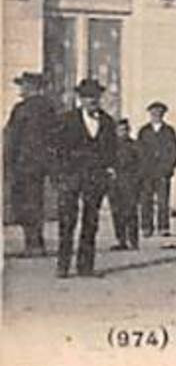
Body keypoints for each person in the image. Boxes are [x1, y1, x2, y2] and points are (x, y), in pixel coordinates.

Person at [51, 78, 117, 278]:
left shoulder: (107, 121)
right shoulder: (67, 119)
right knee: (67, 221)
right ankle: (62, 266)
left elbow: (112, 150)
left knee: (91, 222)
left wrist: (109, 169)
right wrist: (60, 175)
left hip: (95, 179)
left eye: (95, 97)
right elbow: (55, 149)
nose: (92, 101)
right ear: (80, 98)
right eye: (88, 97)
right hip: (71, 177)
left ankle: (85, 266)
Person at [4, 71, 56, 257]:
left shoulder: (22, 109)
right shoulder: (49, 107)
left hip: (24, 164)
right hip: (41, 164)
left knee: (26, 203)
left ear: (32, 87)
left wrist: (8, 162)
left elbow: (11, 137)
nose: (21, 89)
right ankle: (36, 243)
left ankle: (32, 244)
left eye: (24, 85)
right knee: (35, 202)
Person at [136, 101, 176, 237]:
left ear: (163, 115)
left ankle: (163, 227)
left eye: (159, 113)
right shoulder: (144, 131)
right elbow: (138, 151)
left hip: (162, 172)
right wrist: (141, 168)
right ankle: (146, 227)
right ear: (150, 114)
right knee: (146, 201)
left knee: (163, 201)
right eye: (153, 113)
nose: (156, 115)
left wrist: (169, 168)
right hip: (147, 172)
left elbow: (174, 151)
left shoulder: (169, 131)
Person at [110, 118, 143, 251]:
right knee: (116, 212)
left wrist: (136, 180)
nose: (122, 132)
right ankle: (121, 239)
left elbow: (141, 164)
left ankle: (133, 240)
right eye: (119, 130)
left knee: (130, 211)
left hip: (129, 182)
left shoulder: (135, 146)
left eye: (125, 130)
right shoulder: (109, 147)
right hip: (114, 182)